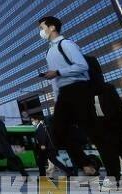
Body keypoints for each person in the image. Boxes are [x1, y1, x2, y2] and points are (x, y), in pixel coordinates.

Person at [38, 16, 102, 178]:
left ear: (52, 28)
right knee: (58, 130)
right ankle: (85, 163)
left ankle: (108, 162)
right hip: (64, 94)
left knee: (91, 128)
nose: (41, 31)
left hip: (78, 89)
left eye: (42, 27)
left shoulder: (65, 44)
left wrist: (59, 72)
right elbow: (54, 78)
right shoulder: (49, 51)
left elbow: (82, 66)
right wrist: (57, 97)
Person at [0, 108, 28, 180]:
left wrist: (2, 144)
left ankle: (25, 176)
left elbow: (4, 133)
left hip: (3, 146)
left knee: (15, 160)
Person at [30, 114, 73, 179]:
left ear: (36, 120)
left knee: (41, 162)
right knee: (55, 161)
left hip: (46, 148)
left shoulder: (40, 127)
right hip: (47, 149)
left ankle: (43, 177)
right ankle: (69, 172)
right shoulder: (40, 127)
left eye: (33, 121)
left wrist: (43, 144)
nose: (32, 122)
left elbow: (44, 136)